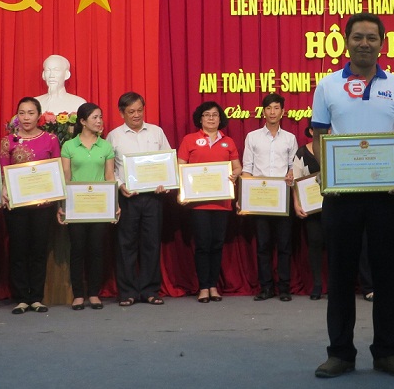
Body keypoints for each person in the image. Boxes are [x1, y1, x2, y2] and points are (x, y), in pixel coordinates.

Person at [310, 13, 394, 379]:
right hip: (341, 194)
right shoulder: (327, 86)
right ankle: (340, 353)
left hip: (388, 194)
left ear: (382, 43)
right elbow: (319, 137)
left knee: (387, 275)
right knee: (340, 275)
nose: (365, 43)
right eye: (358, 37)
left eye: (372, 38)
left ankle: (387, 352)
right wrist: (328, 173)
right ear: (346, 41)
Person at [106, 92, 171, 306]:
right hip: (127, 197)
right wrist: (119, 185)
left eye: (140, 110)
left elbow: (167, 161)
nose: (136, 115)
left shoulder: (156, 132)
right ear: (121, 113)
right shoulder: (114, 136)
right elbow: (109, 169)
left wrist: (166, 182)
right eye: (131, 111)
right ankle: (127, 292)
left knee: (151, 243)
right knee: (126, 245)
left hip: (154, 197)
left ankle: (150, 290)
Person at [0, 97, 60, 314]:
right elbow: (3, 171)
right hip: (16, 206)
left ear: (39, 116)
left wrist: (55, 197)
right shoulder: (8, 141)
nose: (26, 117)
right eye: (22, 113)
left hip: (43, 206)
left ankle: (36, 297)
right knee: (18, 250)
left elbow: (56, 170)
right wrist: (4, 189)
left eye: (31, 113)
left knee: (38, 251)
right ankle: (21, 298)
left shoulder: (51, 139)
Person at [178, 102, 242, 303]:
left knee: (217, 244)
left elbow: (238, 167)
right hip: (199, 203)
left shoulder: (228, 142)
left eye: (215, 115)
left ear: (220, 118)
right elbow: (181, 169)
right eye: (207, 115)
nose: (211, 118)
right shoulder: (189, 140)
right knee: (203, 244)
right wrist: (183, 193)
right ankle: (203, 287)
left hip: (222, 202)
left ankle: (213, 285)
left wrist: (234, 175)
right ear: (200, 118)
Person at [58, 101, 116, 310]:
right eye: (95, 117)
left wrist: (114, 204)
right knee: (78, 249)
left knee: (97, 250)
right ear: (82, 121)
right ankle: (78, 295)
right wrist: (62, 205)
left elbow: (109, 176)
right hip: (76, 206)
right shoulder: (69, 146)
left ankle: (93, 293)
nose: (99, 121)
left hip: (100, 206)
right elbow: (66, 177)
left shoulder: (105, 146)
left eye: (100, 117)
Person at [241, 93, 298, 301]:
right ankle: (265, 287)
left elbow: (293, 167)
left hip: (283, 198)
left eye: (276, 108)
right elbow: (247, 169)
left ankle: (284, 288)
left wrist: (291, 174)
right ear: (263, 111)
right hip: (260, 198)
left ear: (283, 112)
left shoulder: (290, 138)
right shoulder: (252, 137)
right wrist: (243, 197)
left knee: (284, 245)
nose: (272, 112)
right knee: (263, 245)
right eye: (268, 108)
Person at [292, 122, 325, 299]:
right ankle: (317, 285)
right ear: (311, 131)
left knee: (337, 246)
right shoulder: (302, 153)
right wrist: (297, 204)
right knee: (315, 244)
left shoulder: (335, 148)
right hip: (312, 209)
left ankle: (337, 284)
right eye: (317, 129)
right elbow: (296, 180)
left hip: (336, 206)